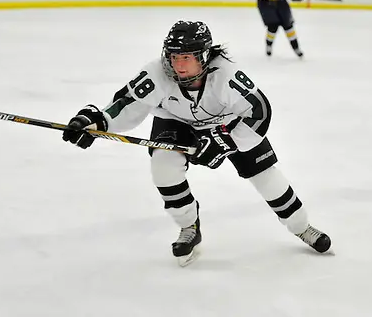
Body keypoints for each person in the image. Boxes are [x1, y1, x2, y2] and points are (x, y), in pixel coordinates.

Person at [62, 20, 331, 266]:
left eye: (186, 57)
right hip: (176, 121)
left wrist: (226, 142)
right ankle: (189, 226)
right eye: (174, 57)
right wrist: (96, 123)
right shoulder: (157, 73)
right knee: (163, 168)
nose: (178, 65)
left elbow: (259, 112)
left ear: (203, 56)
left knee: (267, 177)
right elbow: (127, 104)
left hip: (229, 124)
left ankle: (302, 227)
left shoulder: (225, 75)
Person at [240, 0, 305, 57]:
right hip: (265, 4)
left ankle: (296, 47)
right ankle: (269, 45)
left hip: (281, 3)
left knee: (288, 26)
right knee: (273, 26)